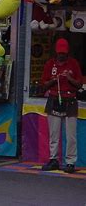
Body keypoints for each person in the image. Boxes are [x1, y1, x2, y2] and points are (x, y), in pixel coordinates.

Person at [40, 38, 82, 174]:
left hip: (70, 100)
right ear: (56, 52)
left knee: (71, 135)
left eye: (64, 53)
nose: (61, 55)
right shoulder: (49, 64)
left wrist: (69, 79)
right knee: (54, 133)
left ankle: (70, 162)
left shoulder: (73, 64)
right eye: (59, 53)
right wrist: (54, 79)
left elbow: (79, 84)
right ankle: (54, 160)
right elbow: (43, 85)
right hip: (54, 98)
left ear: (67, 52)